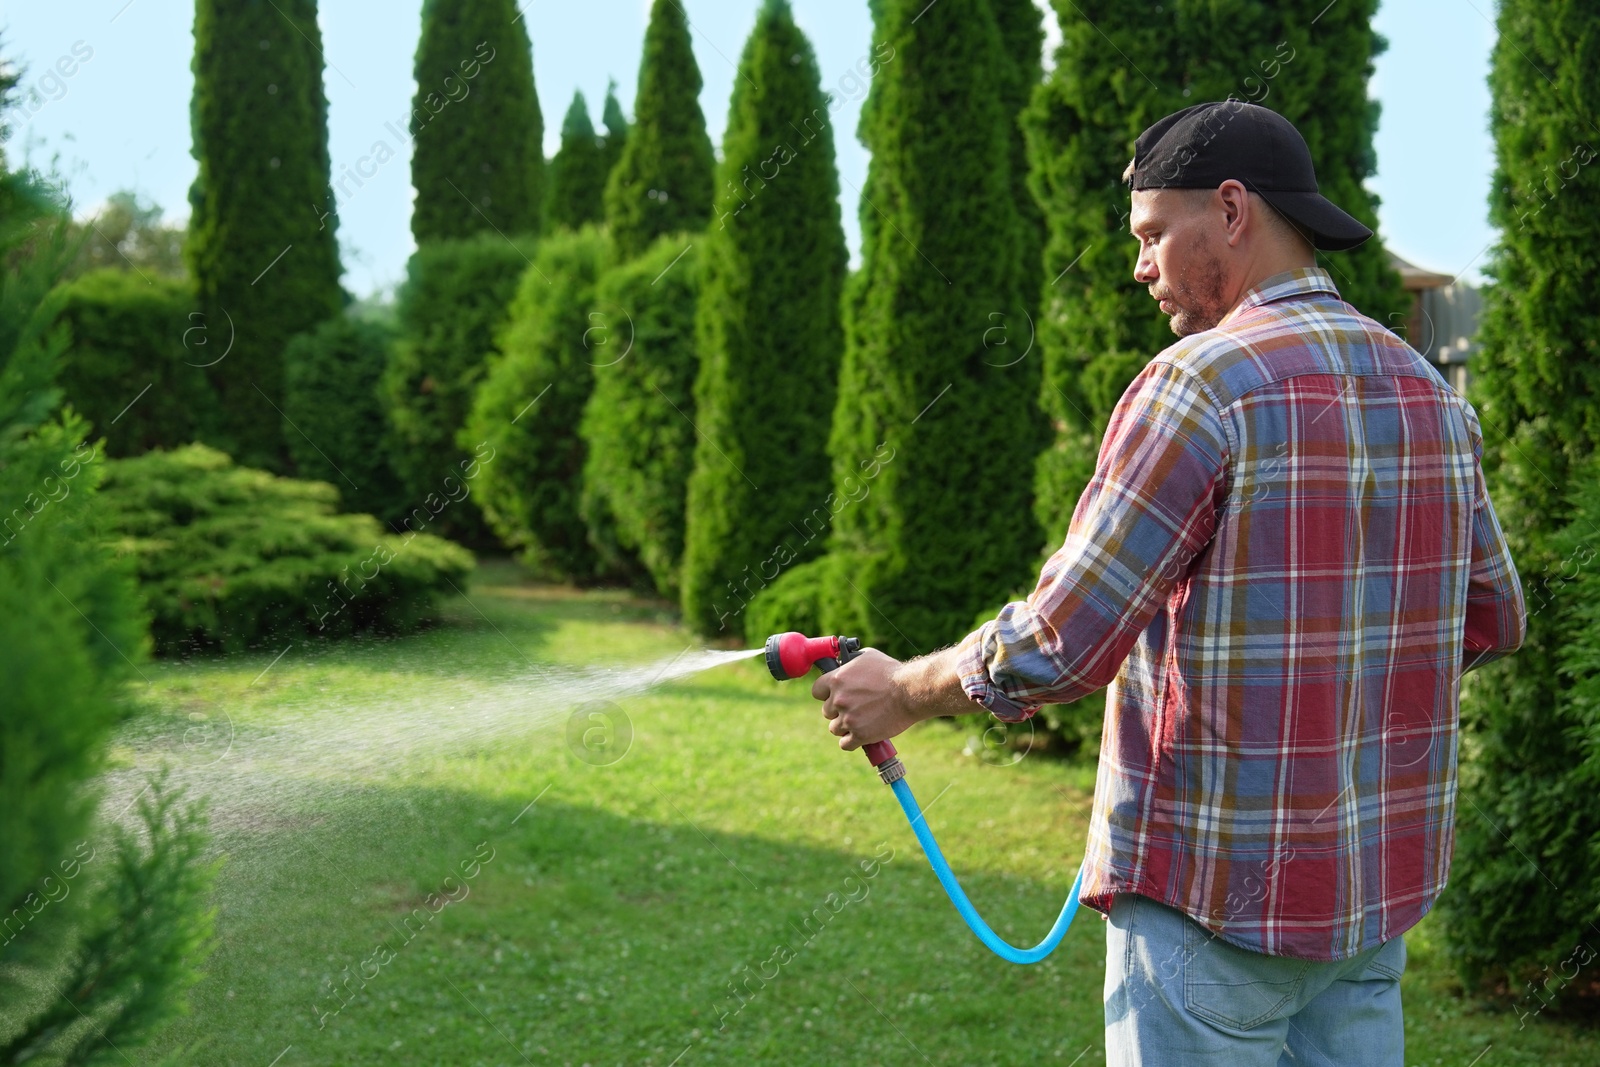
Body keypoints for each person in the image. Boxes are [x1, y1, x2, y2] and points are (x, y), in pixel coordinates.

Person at [809, 101, 1526, 1065]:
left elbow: (1061, 642)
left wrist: (902, 691)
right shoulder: (1430, 394)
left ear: (1231, 211)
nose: (1138, 264)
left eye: (1151, 234)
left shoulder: (1198, 385)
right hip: (1370, 910)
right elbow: (1494, 617)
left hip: (1207, 911)